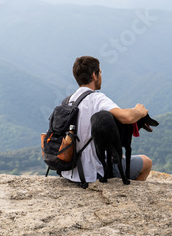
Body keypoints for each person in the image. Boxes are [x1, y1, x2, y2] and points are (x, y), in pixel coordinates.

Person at [61, 56, 153, 184]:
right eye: (100, 72)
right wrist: (140, 111)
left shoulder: (68, 101)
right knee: (147, 162)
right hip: (92, 172)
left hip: (69, 171)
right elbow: (126, 117)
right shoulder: (97, 99)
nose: (101, 76)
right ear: (94, 75)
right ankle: (129, 195)